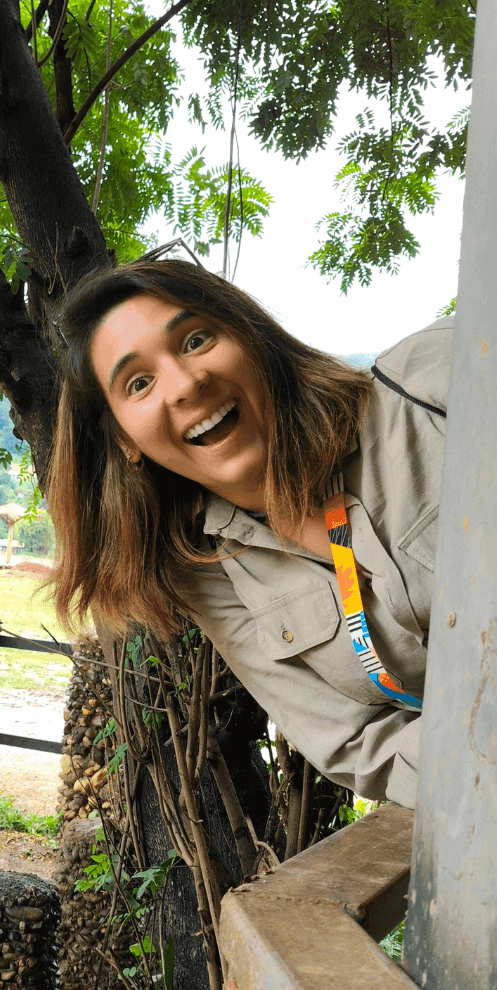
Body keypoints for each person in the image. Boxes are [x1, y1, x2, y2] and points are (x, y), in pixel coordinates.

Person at [48, 258, 451, 808]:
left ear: (251, 338)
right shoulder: (209, 575)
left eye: (195, 340)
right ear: (124, 441)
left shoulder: (426, 382)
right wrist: (477, 761)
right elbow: (356, 744)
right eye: (138, 383)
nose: (187, 383)